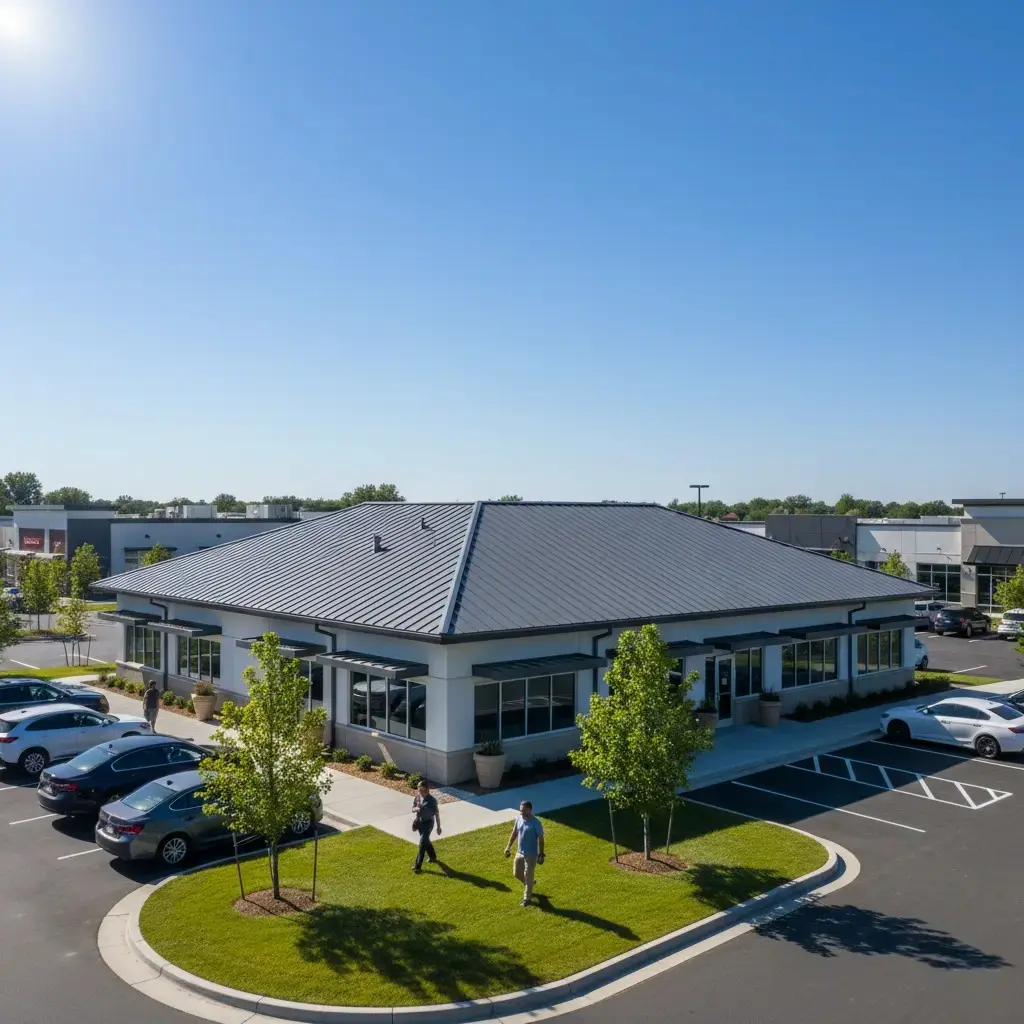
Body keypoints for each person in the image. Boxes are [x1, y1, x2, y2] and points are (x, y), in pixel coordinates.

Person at [505, 800, 545, 906]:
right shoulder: (518, 819)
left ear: (529, 810)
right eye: (520, 810)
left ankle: (527, 899)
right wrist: (508, 847)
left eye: (523, 810)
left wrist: (541, 855)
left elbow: (541, 840)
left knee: (528, 875)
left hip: (531, 854)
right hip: (520, 852)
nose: (521, 812)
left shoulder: (536, 823)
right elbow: (514, 833)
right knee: (517, 873)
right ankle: (529, 883)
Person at [412, 781, 441, 872]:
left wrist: (438, 827)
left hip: (428, 823)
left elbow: (436, 814)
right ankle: (433, 857)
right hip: (420, 823)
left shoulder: (432, 801)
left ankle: (418, 866)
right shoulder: (417, 798)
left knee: (422, 843)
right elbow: (413, 809)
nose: (420, 792)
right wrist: (418, 808)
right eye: (419, 790)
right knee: (425, 841)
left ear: (427, 790)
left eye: (422, 790)